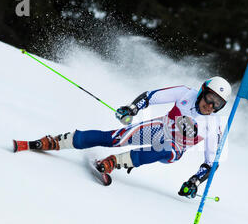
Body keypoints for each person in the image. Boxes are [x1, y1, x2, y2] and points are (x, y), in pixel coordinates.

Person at [13, 76, 231, 198]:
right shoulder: (186, 93)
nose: (210, 106)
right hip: (159, 127)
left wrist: (194, 182)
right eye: (210, 98)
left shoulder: (213, 126)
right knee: (113, 138)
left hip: (174, 148)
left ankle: (113, 163)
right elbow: (150, 96)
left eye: (218, 104)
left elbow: (211, 163)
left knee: (165, 149)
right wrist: (132, 109)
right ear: (203, 91)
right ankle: (55, 141)